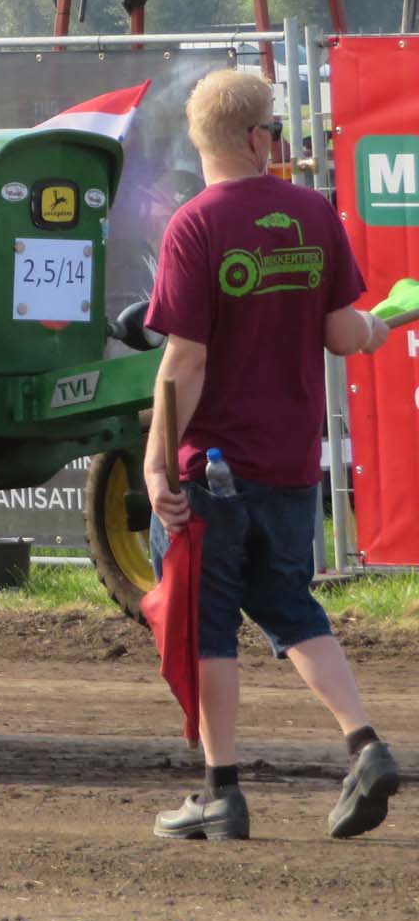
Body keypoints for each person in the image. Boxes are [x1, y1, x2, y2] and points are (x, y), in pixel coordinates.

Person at [144, 67, 395, 842]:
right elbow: (343, 332)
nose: (280, 142)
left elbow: (183, 363)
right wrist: (383, 324)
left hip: (212, 471)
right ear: (256, 138)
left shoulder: (193, 227)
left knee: (209, 621)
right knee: (289, 605)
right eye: (278, 130)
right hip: (291, 464)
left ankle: (221, 790)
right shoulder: (314, 212)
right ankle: (366, 745)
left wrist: (155, 464)